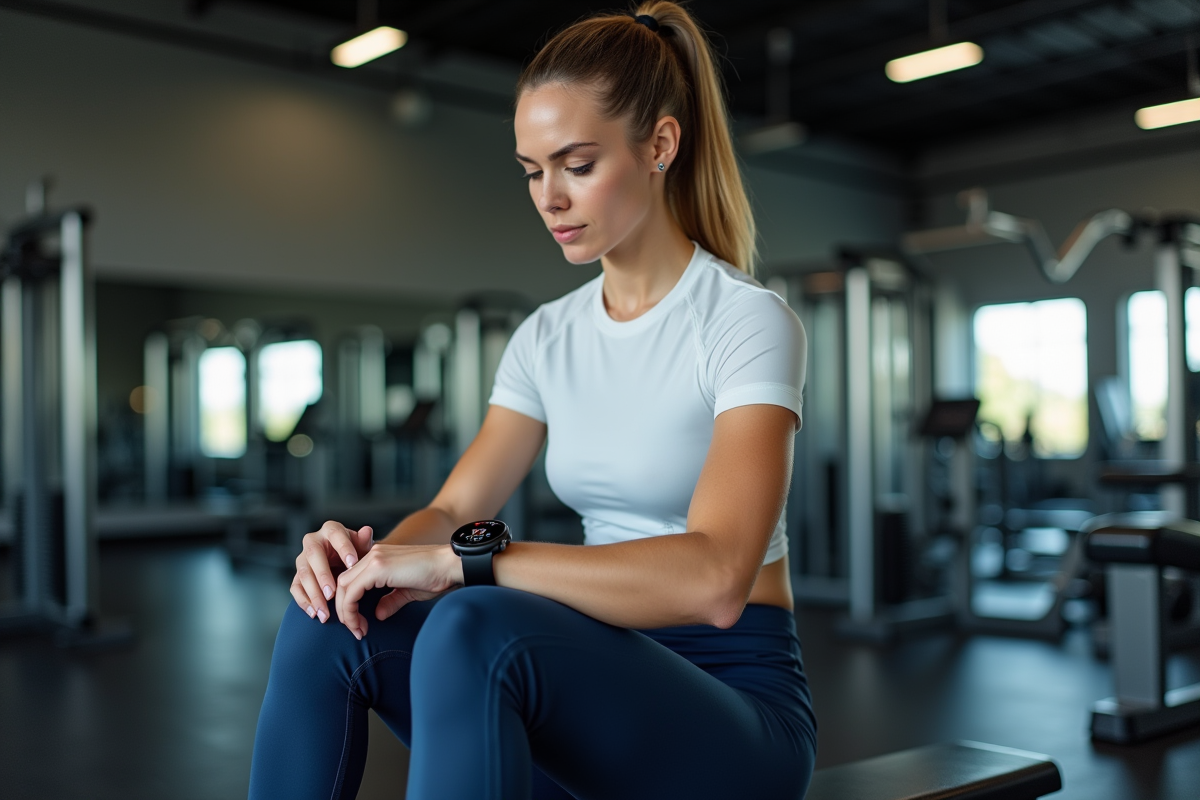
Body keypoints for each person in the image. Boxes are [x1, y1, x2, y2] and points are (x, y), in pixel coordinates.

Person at [248, 3, 815, 798]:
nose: (549, 196)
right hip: (585, 690)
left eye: (577, 165)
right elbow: (449, 513)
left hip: (731, 720)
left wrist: (470, 566)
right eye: (531, 169)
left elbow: (717, 580)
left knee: (478, 619)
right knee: (328, 627)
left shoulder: (744, 321)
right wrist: (364, 566)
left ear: (660, 145)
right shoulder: (547, 337)